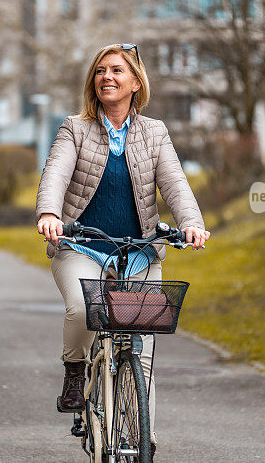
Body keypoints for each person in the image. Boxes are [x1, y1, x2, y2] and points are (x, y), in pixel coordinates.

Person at [35, 43, 210, 454]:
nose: (107, 77)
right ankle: (76, 371)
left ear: (135, 82)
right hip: (82, 246)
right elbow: (55, 173)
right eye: (100, 71)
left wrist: (192, 224)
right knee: (82, 309)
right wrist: (49, 213)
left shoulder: (155, 132)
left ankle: (141, 439)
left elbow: (174, 183)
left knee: (141, 349)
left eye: (116, 70)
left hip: (139, 252)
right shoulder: (74, 129)